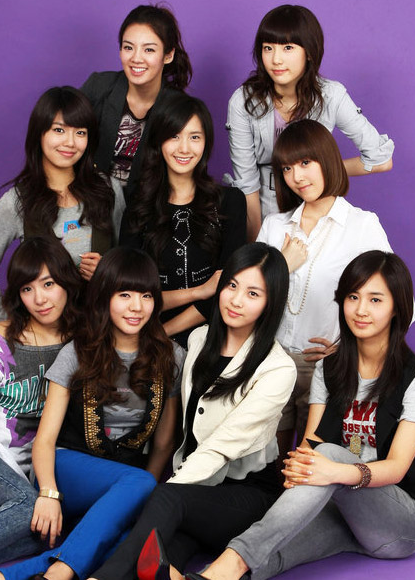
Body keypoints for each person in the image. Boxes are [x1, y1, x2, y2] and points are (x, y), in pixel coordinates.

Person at [188, 251, 415, 580]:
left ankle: (230, 563)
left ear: (397, 308)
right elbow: (312, 442)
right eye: (353, 297)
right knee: (277, 548)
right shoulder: (329, 368)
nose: (361, 310)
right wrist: (299, 473)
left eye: (375, 300)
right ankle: (206, 576)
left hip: (402, 523)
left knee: (328, 455)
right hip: (344, 507)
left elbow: (396, 468)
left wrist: (334, 471)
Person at [0, 248, 186, 580]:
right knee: (141, 484)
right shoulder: (77, 351)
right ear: (105, 297)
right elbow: (45, 439)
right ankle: (60, 575)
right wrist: (48, 493)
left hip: (121, 480)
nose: (136, 307)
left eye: (146, 296)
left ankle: (3, 577)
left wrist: (143, 498)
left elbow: (165, 443)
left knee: (133, 535)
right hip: (63, 469)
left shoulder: (172, 357)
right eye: (124, 295)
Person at [87, 242, 297, 580]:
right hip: (196, 492)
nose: (236, 300)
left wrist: (167, 488)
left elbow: (222, 446)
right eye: (231, 285)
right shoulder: (199, 340)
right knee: (157, 560)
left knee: (166, 504)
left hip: (246, 494)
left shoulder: (278, 369)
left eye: (253, 294)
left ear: (270, 302)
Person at [258, 118, 395, 456]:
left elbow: (399, 304)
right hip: (269, 361)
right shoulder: (274, 226)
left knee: (313, 466)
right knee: (263, 466)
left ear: (327, 159)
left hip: (326, 369)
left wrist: (348, 347)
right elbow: (247, 296)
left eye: (305, 162)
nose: (297, 176)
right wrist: (282, 265)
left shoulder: (361, 225)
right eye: (287, 168)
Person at [0, 237, 82, 575]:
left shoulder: (81, 342)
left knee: (49, 530)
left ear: (66, 282)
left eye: (48, 284)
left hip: (24, 470)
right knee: (28, 508)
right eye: (27, 289)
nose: (40, 299)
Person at [225, 4, 395, 239]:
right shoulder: (243, 101)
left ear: (309, 52)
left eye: (288, 48)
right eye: (267, 48)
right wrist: (257, 248)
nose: (276, 59)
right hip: (264, 209)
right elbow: (247, 184)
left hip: (319, 211)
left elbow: (381, 160)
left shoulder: (331, 95)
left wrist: (320, 170)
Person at [0, 86, 119, 324]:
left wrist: (108, 271)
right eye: (59, 130)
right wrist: (10, 330)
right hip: (46, 337)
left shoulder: (108, 189)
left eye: (80, 133)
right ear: (39, 133)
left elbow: (129, 259)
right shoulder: (16, 202)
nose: (70, 142)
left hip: (102, 332)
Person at [120, 94, 246, 347]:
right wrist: (198, 291)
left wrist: (162, 333)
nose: (184, 148)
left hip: (211, 341)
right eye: (174, 136)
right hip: (147, 339)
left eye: (194, 137)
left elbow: (228, 289)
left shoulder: (230, 202)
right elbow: (128, 291)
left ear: (206, 143)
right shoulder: (138, 204)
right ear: (159, 141)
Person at [81, 4, 192, 205]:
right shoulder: (98, 87)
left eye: (148, 49)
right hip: (90, 204)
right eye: (128, 47)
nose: (136, 58)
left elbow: (185, 175)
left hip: (148, 210)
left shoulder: (178, 107)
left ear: (168, 55)